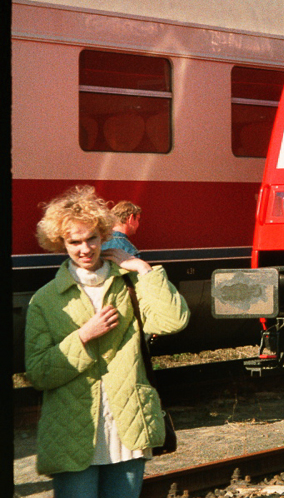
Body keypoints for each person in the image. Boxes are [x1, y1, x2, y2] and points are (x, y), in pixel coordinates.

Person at [25, 185, 189, 498]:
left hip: (127, 428)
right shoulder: (45, 301)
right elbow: (39, 373)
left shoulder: (127, 284)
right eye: (74, 242)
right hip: (72, 434)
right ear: (61, 243)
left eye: (92, 239)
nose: (85, 248)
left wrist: (143, 268)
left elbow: (174, 320)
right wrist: (83, 337)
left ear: (103, 236)